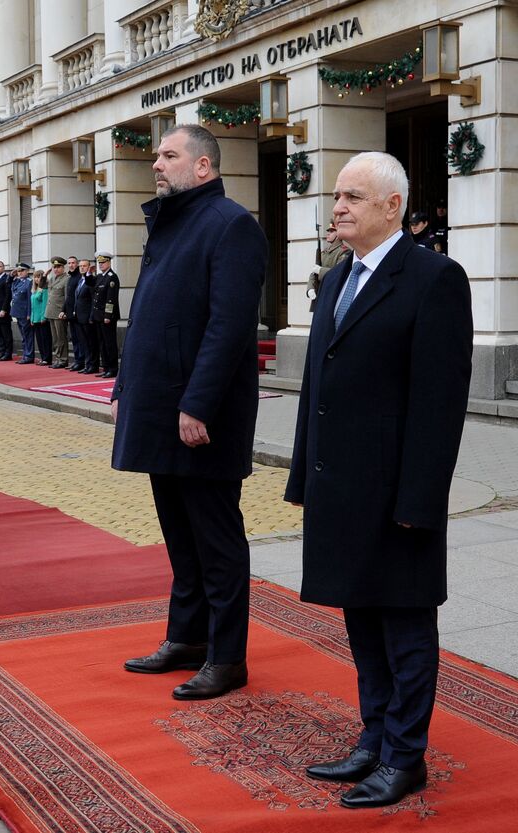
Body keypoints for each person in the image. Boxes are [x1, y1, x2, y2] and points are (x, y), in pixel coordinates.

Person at [285, 151, 472, 809]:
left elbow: (440, 403)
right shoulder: (338, 280)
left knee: (404, 626)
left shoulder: (434, 279)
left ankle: (404, 756)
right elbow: (318, 388)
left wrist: (420, 499)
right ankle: (372, 737)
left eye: (353, 197)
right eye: (337, 196)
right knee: (361, 620)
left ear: (392, 206)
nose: (338, 207)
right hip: (343, 491)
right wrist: (305, 475)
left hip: (398, 496)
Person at [112, 124, 267, 701]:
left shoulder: (231, 226)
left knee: (216, 540)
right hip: (160, 409)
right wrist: (127, 388)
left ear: (203, 167)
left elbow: (229, 327)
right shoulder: (172, 222)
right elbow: (155, 316)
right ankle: (187, 637)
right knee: (180, 534)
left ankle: (227, 657)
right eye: (157, 154)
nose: (157, 164)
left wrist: (197, 404)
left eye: (169, 155)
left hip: (201, 417)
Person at [308, 222, 348, 313]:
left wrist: (320, 270)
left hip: (333, 295)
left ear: (338, 234)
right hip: (321, 294)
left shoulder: (344, 252)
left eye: (332, 231)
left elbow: (339, 273)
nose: (328, 233)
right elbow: (314, 272)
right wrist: (310, 288)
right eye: (328, 231)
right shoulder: (324, 252)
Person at [92, 252, 120, 378]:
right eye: (99, 263)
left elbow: (111, 299)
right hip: (98, 315)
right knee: (102, 343)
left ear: (109, 262)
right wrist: (88, 273)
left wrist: (108, 315)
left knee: (109, 343)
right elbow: (89, 283)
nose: (101, 265)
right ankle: (106, 367)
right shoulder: (99, 276)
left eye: (103, 262)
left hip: (106, 316)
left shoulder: (112, 277)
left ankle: (113, 368)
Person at [73, 259, 98, 374]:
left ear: (89, 267)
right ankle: (88, 364)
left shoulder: (91, 281)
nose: (82, 268)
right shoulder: (80, 281)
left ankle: (93, 365)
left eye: (84, 266)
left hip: (87, 317)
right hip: (79, 317)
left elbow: (93, 300)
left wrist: (91, 316)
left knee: (91, 342)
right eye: (81, 266)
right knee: (84, 342)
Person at [45, 256, 70, 368]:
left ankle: (63, 359)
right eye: (54, 267)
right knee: (55, 338)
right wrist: (45, 275)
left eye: (58, 267)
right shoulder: (52, 279)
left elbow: (67, 297)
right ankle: (58, 358)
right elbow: (42, 286)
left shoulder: (66, 279)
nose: (56, 269)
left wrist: (64, 311)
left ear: (63, 267)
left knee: (61, 338)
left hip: (59, 311)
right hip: (51, 312)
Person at [62, 255, 84, 371]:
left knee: (80, 339)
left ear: (77, 264)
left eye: (73, 263)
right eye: (69, 263)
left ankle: (81, 361)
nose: (71, 265)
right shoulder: (70, 278)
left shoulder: (80, 277)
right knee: (74, 338)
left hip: (78, 314)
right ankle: (77, 360)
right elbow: (69, 297)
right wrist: (63, 310)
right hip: (70, 313)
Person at [11, 263, 34, 364]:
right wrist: (13, 275)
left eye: (22, 271)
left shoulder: (29, 282)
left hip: (25, 313)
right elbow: (10, 285)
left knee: (27, 335)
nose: (20, 273)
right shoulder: (17, 281)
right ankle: (25, 354)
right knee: (23, 335)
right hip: (18, 312)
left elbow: (29, 299)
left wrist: (29, 313)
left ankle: (29, 355)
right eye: (18, 271)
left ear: (27, 271)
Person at [31, 268, 52, 366]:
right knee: (39, 340)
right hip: (35, 318)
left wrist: (44, 317)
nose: (36, 279)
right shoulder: (34, 290)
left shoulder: (44, 289)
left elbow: (44, 304)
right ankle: (43, 357)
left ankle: (47, 358)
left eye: (38, 277)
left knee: (45, 339)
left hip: (42, 318)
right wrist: (32, 318)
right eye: (35, 277)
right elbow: (32, 306)